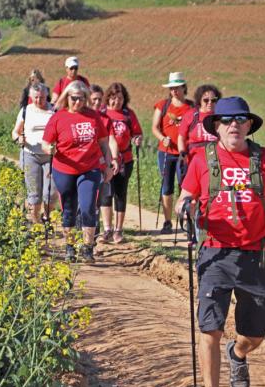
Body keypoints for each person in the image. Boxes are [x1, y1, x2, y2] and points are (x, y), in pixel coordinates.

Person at [175, 96, 265, 387]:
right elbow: (186, 196)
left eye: (240, 119)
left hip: (254, 254)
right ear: (217, 127)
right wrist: (186, 207)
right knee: (210, 325)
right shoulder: (202, 159)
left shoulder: (263, 159)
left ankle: (237, 354)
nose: (234, 125)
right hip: (215, 253)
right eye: (226, 120)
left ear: (249, 124)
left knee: (256, 331)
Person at [41, 81, 114, 263]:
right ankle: (70, 246)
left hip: (89, 168)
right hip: (64, 168)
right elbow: (45, 143)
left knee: (88, 206)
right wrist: (49, 149)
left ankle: (88, 248)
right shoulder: (58, 117)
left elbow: (104, 142)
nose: (77, 103)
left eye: (81, 99)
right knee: (69, 208)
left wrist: (109, 164)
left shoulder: (93, 116)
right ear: (67, 98)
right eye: (74, 99)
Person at [99, 83, 143, 244]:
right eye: (113, 98)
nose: (116, 101)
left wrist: (137, 139)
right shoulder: (102, 113)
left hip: (125, 159)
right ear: (108, 98)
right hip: (105, 159)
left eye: (120, 98)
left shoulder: (128, 114)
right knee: (105, 193)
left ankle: (118, 230)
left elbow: (137, 133)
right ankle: (107, 229)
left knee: (120, 193)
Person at [151, 72, 195, 234]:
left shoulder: (192, 107)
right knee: (167, 186)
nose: (175, 91)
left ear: (184, 87)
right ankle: (168, 221)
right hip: (166, 152)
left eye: (177, 87)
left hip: (185, 153)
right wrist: (163, 138)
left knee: (186, 186)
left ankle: (186, 220)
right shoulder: (162, 105)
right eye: (172, 88)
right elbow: (155, 127)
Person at [11, 83, 57, 224]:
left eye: (42, 97)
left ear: (46, 96)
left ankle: (47, 217)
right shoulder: (26, 111)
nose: (39, 100)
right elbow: (15, 132)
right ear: (31, 97)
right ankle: (36, 222)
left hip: (50, 156)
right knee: (34, 193)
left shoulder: (54, 111)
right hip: (30, 154)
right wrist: (19, 138)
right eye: (36, 97)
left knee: (51, 192)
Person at [178, 84, 222, 164]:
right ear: (199, 101)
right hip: (194, 159)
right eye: (206, 100)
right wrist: (182, 153)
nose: (210, 103)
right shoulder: (191, 115)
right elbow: (181, 137)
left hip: (216, 159)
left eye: (213, 100)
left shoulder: (221, 117)